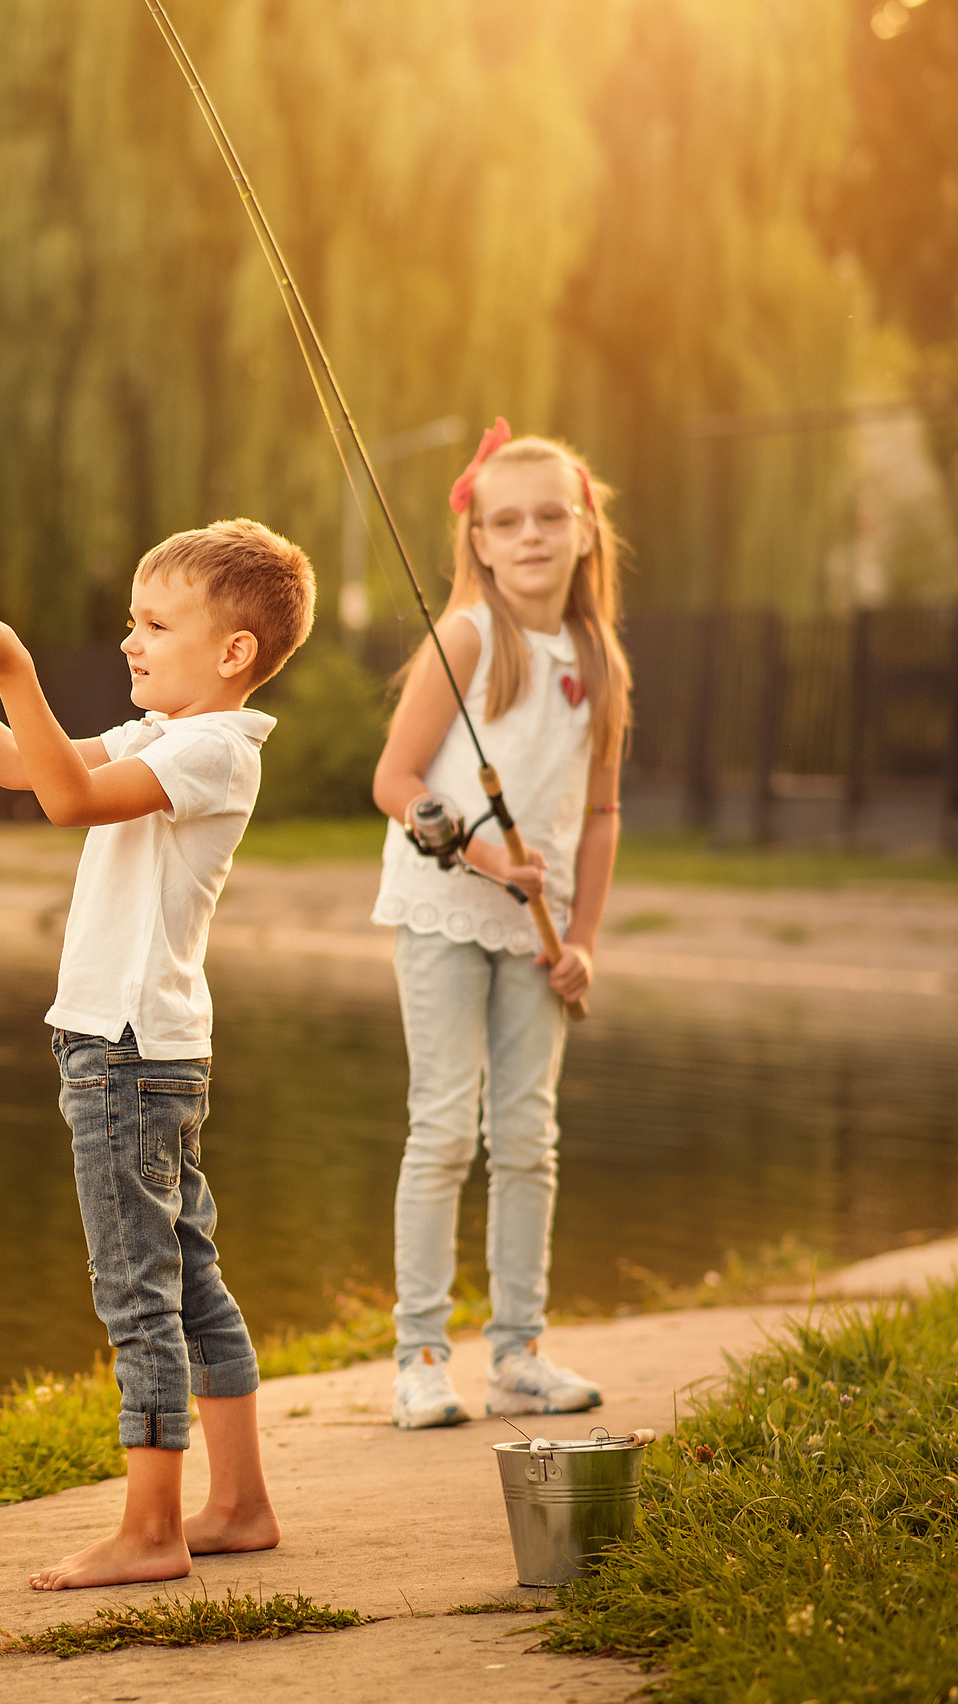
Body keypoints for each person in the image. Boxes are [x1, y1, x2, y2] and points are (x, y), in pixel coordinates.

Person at [0, 518, 314, 1588]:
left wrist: (13, 666)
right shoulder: (169, 735)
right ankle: (237, 1505)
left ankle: (151, 1529)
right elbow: (25, 764)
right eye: (130, 622)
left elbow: (63, 801)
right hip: (150, 1049)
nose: (129, 641)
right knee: (189, 1276)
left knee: (136, 1291)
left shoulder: (205, 749)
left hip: (124, 1053)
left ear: (233, 652)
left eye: (155, 625)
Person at [369, 422, 631, 1430]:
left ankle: (517, 1352)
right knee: (442, 1129)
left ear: (583, 528)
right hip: (443, 911)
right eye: (506, 521)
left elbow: (601, 815)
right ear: (476, 539)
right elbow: (394, 782)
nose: (529, 536)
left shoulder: (600, 658)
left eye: (549, 517)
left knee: (527, 1136)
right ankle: (419, 1359)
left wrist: (582, 940)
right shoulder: (469, 638)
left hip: (540, 930)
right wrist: (475, 851)